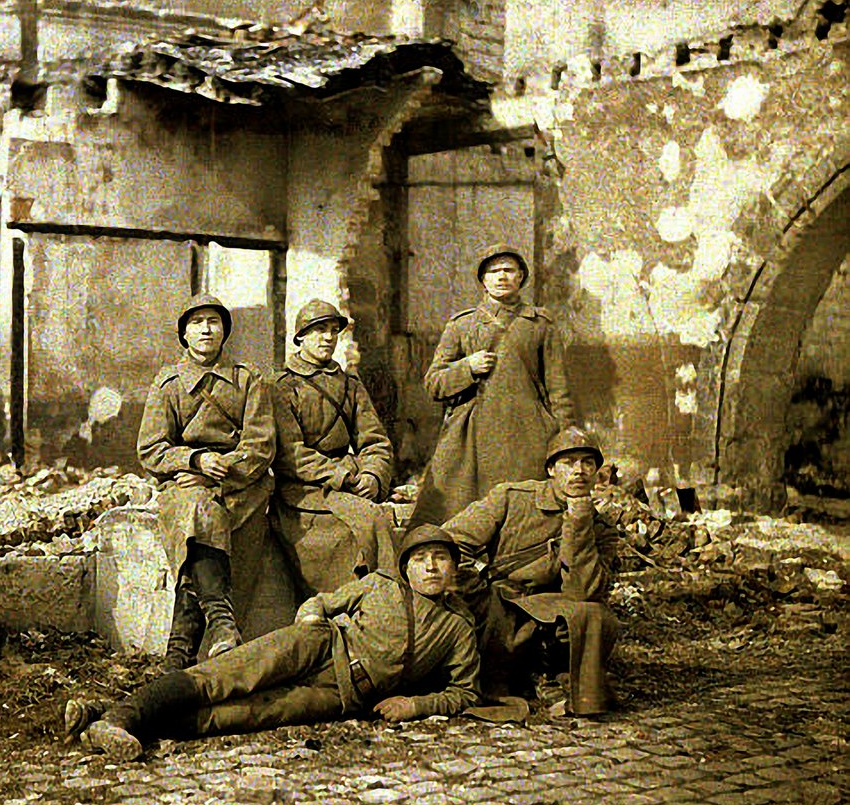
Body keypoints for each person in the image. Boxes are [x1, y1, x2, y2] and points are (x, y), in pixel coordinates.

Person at [65, 524, 480, 761]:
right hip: (320, 645)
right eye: (421, 558)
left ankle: (101, 719)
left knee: (240, 715)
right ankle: (121, 718)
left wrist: (416, 705)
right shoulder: (379, 584)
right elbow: (323, 601)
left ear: (453, 569)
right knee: (224, 676)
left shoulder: (458, 627)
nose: (430, 567)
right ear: (405, 565)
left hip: (341, 695)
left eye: (441, 559)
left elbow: (465, 691)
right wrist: (310, 616)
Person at [137, 294, 276, 672]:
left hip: (240, 484)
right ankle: (221, 621)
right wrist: (195, 459)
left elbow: (261, 444)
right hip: (186, 484)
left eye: (214, 322)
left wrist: (224, 467)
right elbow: (150, 449)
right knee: (196, 511)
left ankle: (178, 653)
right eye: (196, 323)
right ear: (184, 333)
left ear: (224, 332)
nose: (205, 329)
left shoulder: (249, 379)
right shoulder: (167, 384)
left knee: (199, 530)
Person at [444, 426, 619, 716]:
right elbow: (451, 540)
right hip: (497, 599)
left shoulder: (601, 529)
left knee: (593, 614)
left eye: (588, 463)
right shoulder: (512, 497)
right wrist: (474, 584)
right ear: (551, 469)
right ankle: (524, 677)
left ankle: (552, 677)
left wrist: (579, 523)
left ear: (597, 474)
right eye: (568, 462)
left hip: (549, 609)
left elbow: (584, 591)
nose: (579, 471)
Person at [410, 245, 574, 527]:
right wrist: (467, 368)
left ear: (521, 276)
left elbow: (558, 388)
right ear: (483, 280)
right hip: (473, 435)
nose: (501, 277)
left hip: (528, 434)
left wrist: (564, 439)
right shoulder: (462, 325)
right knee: (457, 515)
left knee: (528, 515)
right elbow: (433, 383)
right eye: (493, 271)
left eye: (509, 270)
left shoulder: (540, 324)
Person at [270, 299, 397, 595]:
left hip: (349, 486)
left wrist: (372, 477)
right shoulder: (282, 386)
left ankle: (376, 605)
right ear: (300, 336)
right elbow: (290, 453)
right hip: (303, 492)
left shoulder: (350, 384)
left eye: (332, 330)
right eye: (318, 331)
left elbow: (374, 440)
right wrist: (342, 477)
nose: (328, 338)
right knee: (354, 530)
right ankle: (338, 605)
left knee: (378, 522)